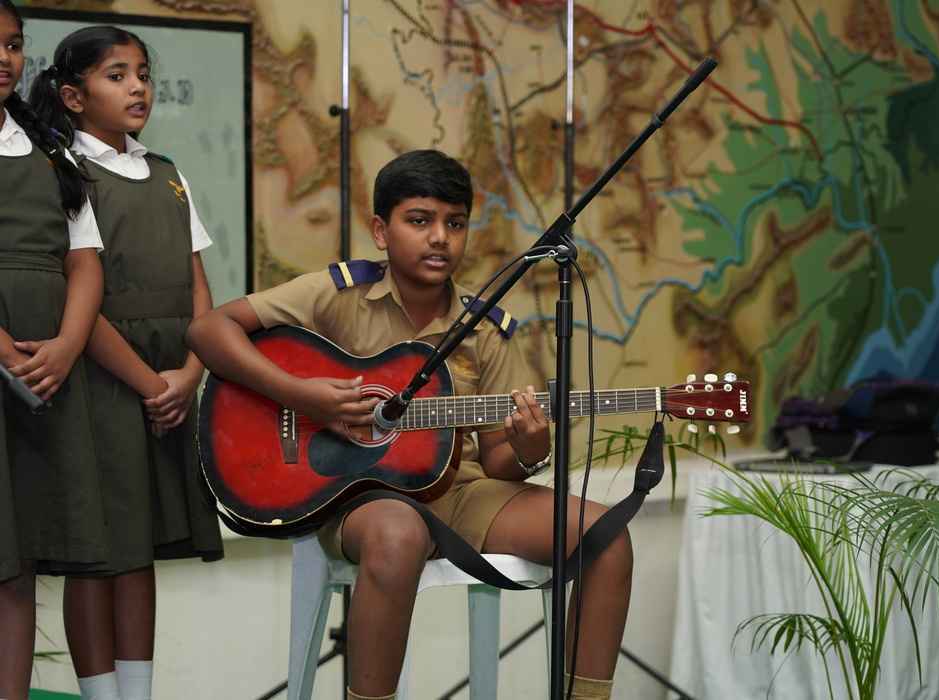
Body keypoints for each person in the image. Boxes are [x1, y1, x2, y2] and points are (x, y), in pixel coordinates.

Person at [187, 149, 633, 700]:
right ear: (381, 230)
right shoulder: (337, 294)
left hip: (462, 493)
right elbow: (209, 331)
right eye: (420, 220)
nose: (440, 237)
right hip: (358, 497)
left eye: (456, 223)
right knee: (400, 534)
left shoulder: (485, 326)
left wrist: (529, 448)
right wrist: (303, 396)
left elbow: (499, 461)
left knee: (606, 537)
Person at [28, 24, 224, 700]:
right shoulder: (60, 171)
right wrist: (149, 384)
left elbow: (198, 285)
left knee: (141, 548)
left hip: (172, 379)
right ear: (73, 96)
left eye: (143, 73)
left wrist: (190, 372)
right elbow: (77, 298)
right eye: (117, 76)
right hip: (102, 380)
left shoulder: (167, 173)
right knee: (98, 551)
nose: (138, 87)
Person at [0, 3, 108, 699]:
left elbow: (85, 259)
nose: (4, 58)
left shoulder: (47, 146)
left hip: (43, 374)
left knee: (20, 557)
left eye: (13, 45)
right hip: (9, 357)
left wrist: (67, 344)